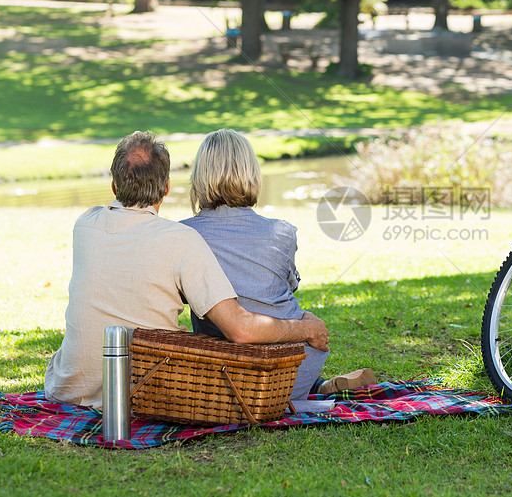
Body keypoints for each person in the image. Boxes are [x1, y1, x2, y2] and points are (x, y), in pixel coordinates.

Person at [44, 131, 329, 408]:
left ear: (114, 188)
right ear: (167, 187)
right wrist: (305, 328)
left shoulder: (85, 223)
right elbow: (241, 329)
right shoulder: (181, 239)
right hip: (144, 391)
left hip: (67, 388)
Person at [181, 129, 375, 399]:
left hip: (223, 373)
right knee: (296, 315)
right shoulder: (281, 232)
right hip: (293, 363)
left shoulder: (183, 235)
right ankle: (314, 387)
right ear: (252, 174)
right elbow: (280, 292)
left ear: (199, 178)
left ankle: (313, 389)